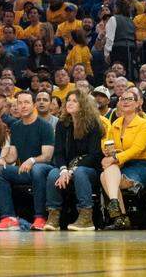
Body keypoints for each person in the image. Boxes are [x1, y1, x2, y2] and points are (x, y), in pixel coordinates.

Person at [43, 89, 107, 231]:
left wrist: (71, 171)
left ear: (83, 104)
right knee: (53, 174)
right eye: (68, 100)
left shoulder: (93, 124)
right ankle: (54, 216)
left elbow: (94, 155)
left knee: (80, 172)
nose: (70, 103)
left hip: (90, 169)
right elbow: (58, 153)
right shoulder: (62, 124)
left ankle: (86, 217)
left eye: (74, 101)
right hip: (68, 168)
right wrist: (63, 170)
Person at [0, 90, 55, 230]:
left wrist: (32, 160)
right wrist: (2, 160)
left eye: (27, 102)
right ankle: (9, 217)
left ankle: (40, 217)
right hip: (24, 170)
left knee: (37, 169)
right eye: (20, 103)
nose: (23, 106)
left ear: (34, 105)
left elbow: (47, 156)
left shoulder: (45, 126)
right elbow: (13, 155)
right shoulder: (16, 126)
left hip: (45, 169)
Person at [99, 85, 146, 229]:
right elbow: (108, 143)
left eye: (129, 99)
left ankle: (120, 217)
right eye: (122, 99)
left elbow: (136, 150)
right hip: (121, 163)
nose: (125, 101)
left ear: (137, 103)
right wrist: (108, 153)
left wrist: (114, 158)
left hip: (142, 165)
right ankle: (116, 206)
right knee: (106, 173)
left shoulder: (145, 125)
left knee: (106, 176)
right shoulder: (116, 123)